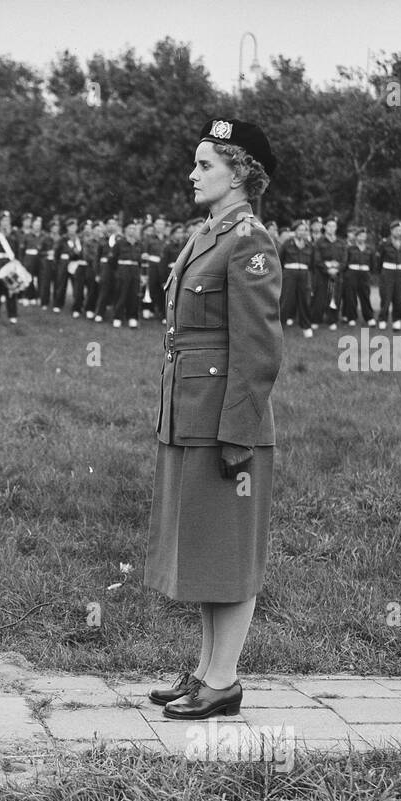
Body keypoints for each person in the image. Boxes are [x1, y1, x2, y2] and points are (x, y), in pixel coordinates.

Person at [145, 117, 283, 721]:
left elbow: (259, 351)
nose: (192, 173)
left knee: (228, 553)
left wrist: (238, 433)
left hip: (225, 422)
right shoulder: (211, 232)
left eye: (205, 165)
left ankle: (223, 681)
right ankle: (205, 672)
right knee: (204, 548)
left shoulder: (249, 240)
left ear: (241, 173)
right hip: (190, 414)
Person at [310, 215, 346, 330]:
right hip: (322, 274)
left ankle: (332, 320)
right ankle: (316, 319)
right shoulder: (319, 242)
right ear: (325, 227)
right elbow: (317, 259)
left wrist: (337, 269)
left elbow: (344, 260)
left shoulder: (341, 242)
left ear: (336, 228)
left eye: (334, 226)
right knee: (319, 297)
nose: (331, 228)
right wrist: (328, 269)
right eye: (329, 226)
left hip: (337, 274)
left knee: (335, 296)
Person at [279, 219, 313, 335]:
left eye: (304, 230)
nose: (302, 232)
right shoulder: (287, 243)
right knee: (286, 300)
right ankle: (279, 326)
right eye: (300, 230)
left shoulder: (309, 245)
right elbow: (280, 260)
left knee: (304, 300)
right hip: (289, 274)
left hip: (304, 274)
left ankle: (306, 327)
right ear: (295, 231)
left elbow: (311, 264)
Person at [0, 210, 21, 324]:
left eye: (7, 220)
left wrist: (18, 265)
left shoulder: (14, 234)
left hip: (10, 264)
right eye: (3, 220)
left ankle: (12, 314)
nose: (5, 222)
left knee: (11, 290)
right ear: (0, 222)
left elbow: (17, 251)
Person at [112, 220, 144, 328]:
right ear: (125, 230)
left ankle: (132, 317)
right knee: (121, 294)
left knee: (134, 295)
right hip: (123, 270)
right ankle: (117, 317)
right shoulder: (119, 243)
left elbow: (141, 262)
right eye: (130, 228)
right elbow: (113, 259)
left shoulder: (139, 244)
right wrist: (117, 272)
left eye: (134, 228)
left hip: (135, 271)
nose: (132, 230)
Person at [376, 219, 401, 330]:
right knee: (386, 297)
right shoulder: (384, 243)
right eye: (397, 230)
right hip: (387, 273)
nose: (400, 232)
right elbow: (379, 260)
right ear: (392, 230)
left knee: (398, 298)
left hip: (400, 273)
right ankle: (383, 319)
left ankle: (397, 320)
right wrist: (381, 273)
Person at [342, 225, 375, 327]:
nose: (362, 237)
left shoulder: (370, 249)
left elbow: (373, 264)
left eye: (364, 235)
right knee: (351, 296)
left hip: (364, 274)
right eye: (360, 235)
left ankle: (369, 317)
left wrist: (369, 274)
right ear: (356, 237)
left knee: (365, 296)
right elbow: (345, 262)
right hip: (352, 273)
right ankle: (351, 317)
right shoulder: (350, 248)